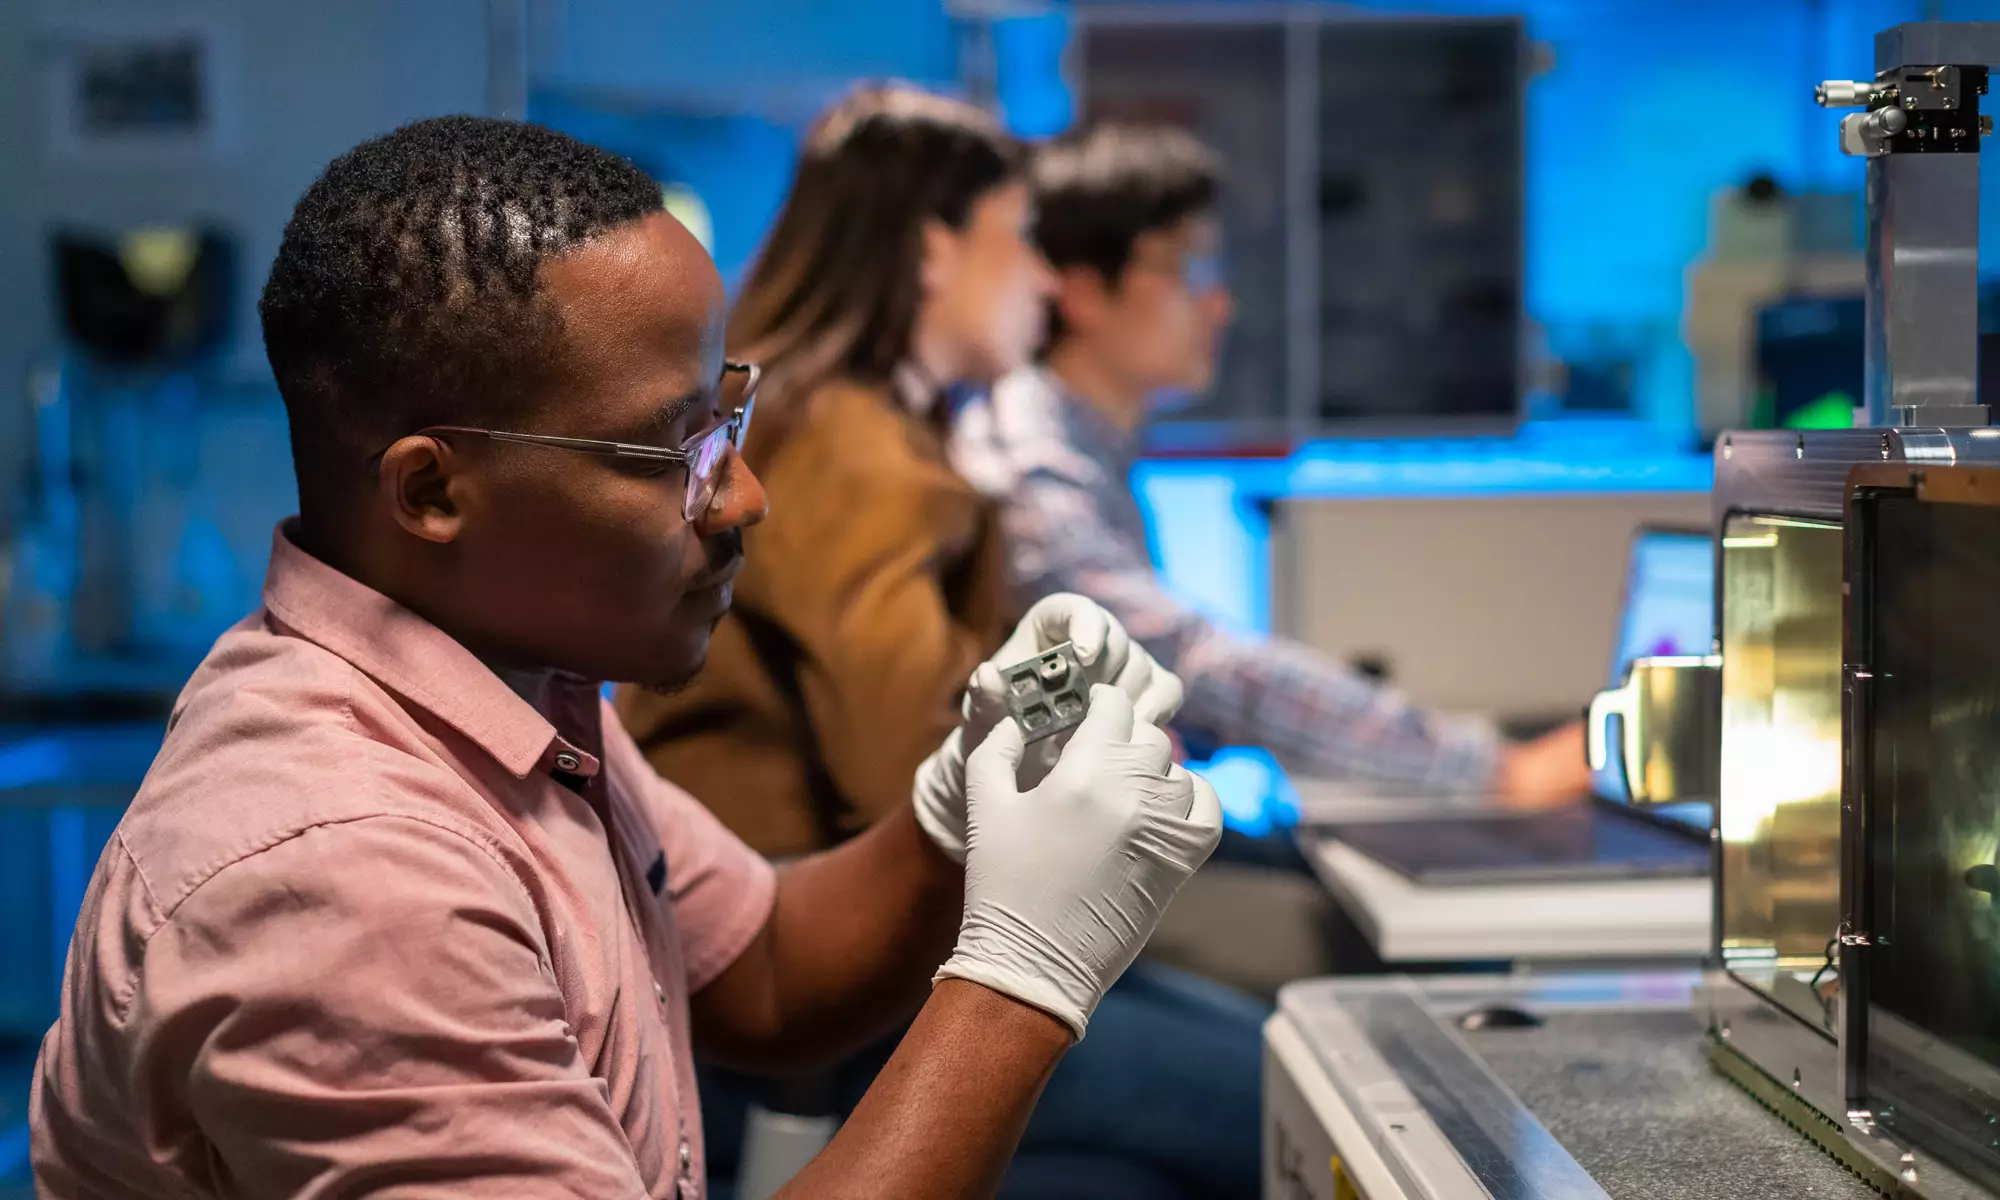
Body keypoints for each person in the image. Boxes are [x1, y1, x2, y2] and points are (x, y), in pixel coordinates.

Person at [29, 115, 1222, 1200]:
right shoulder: (346, 881)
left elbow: (763, 969)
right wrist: (1023, 976)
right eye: (669, 451)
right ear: (434, 490)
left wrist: (962, 797)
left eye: (726, 418)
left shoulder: (505, 684)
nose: (744, 497)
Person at [618, 88, 1267, 1198]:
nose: (1040, 279)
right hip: (829, 978)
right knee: (1280, 1088)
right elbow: (901, 769)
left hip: (824, 946)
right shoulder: (852, 447)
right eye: (1019, 240)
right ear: (932, 249)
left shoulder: (863, 423)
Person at [953, 124, 1593, 806]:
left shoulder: (1084, 444)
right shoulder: (1031, 463)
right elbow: (1186, 666)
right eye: (1187, 268)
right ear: (1080, 292)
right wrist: (1493, 772)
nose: (1218, 301)